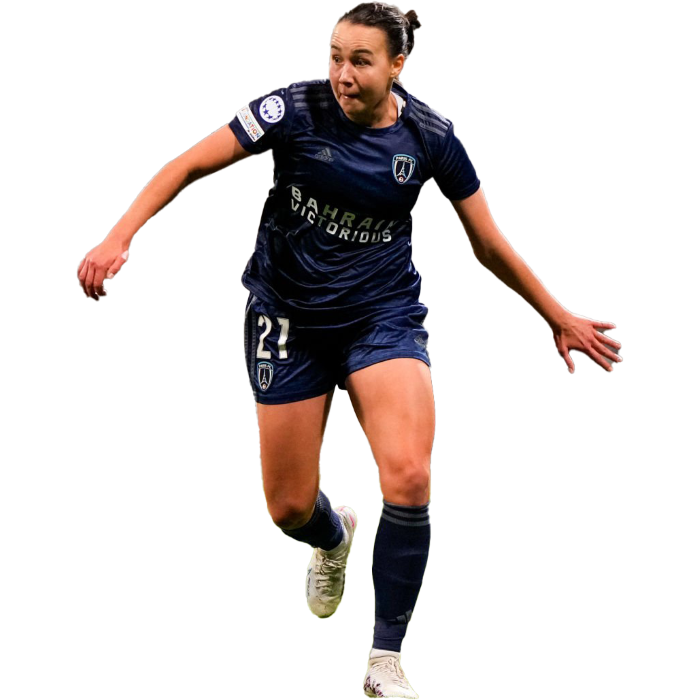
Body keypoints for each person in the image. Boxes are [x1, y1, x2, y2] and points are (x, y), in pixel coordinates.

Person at [77, 2, 623, 696]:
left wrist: (556, 316)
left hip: (381, 318)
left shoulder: (431, 137)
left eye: (360, 60)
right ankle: (333, 537)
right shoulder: (292, 109)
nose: (341, 73)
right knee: (287, 509)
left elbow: (486, 244)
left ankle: (385, 660)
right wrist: (119, 236)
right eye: (335, 56)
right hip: (288, 317)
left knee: (410, 476)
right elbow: (187, 164)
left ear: (397, 66)